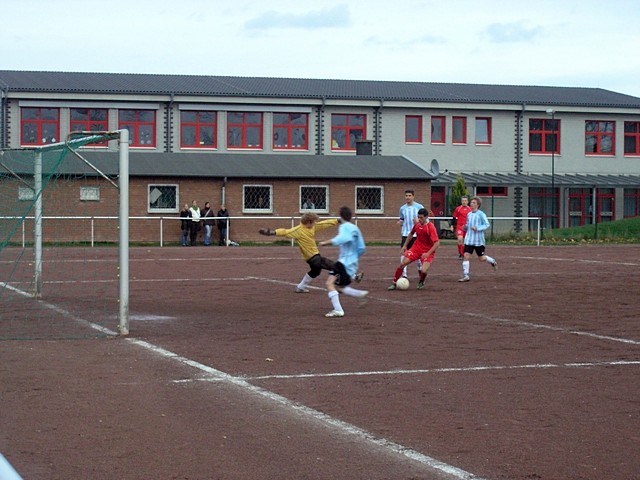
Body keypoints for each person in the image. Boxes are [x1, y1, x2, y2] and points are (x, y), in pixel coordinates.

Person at [258, 213, 338, 293]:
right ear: (309, 222)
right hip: (313, 257)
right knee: (335, 266)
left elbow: (324, 224)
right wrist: (272, 232)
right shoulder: (298, 230)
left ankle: (300, 287)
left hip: (314, 257)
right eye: (314, 222)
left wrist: (337, 221)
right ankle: (341, 284)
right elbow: (285, 232)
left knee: (315, 272)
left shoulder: (312, 227)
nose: (315, 223)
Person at [318, 206, 368, 318]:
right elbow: (362, 248)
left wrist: (326, 242)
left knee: (329, 283)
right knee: (339, 287)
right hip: (352, 263)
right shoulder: (355, 228)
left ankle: (338, 310)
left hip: (343, 262)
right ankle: (359, 294)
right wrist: (354, 257)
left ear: (340, 216)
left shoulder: (344, 227)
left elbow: (343, 238)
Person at [388, 208, 440, 290]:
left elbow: (437, 243)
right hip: (416, 248)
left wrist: (428, 253)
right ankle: (394, 283)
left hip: (427, 251)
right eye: (418, 217)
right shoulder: (417, 225)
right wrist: (405, 246)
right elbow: (411, 234)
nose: (419, 219)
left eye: (421, 218)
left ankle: (421, 281)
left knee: (424, 270)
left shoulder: (430, 227)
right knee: (402, 263)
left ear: (426, 217)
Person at [459, 196, 498, 282]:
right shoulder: (469, 214)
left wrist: (477, 228)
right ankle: (466, 275)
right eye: (471, 203)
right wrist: (465, 227)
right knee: (466, 256)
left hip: (478, 241)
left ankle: (492, 261)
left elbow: (487, 224)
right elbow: (468, 226)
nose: (471, 204)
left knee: (481, 258)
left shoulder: (481, 214)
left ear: (478, 205)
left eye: (474, 203)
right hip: (469, 240)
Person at [397, 189, 424, 278]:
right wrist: (400, 222)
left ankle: (421, 272)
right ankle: (404, 274)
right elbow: (402, 219)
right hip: (405, 234)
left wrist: (418, 222)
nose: (408, 197)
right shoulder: (402, 208)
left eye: (409, 196)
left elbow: (425, 220)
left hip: (416, 235)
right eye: (406, 196)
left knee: (418, 256)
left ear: (413, 196)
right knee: (403, 253)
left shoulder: (419, 207)